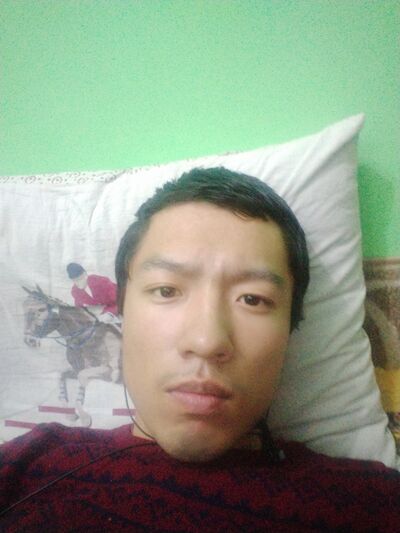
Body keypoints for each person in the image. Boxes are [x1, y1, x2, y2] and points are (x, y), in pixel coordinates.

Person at [1, 168, 399, 531]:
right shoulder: (28, 466)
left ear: (291, 328)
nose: (207, 342)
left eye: (253, 299)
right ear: (122, 309)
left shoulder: (371, 505)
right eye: (166, 290)